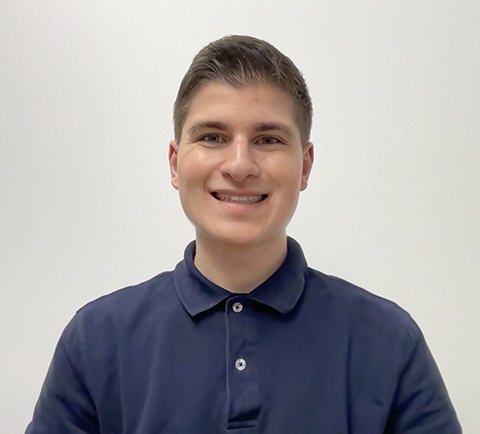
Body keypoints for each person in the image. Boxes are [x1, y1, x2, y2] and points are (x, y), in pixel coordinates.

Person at [26, 35, 461, 434]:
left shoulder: (388, 341)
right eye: (213, 136)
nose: (239, 165)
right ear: (176, 164)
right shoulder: (96, 340)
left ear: (305, 166)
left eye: (268, 139)